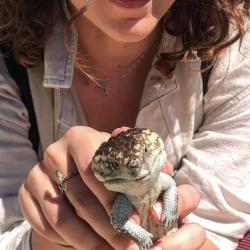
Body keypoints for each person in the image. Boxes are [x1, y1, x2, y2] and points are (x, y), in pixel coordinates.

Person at [0, 0, 250, 249]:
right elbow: (7, 233)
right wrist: (55, 234)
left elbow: (220, 231)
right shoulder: (7, 63)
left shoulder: (236, 48)